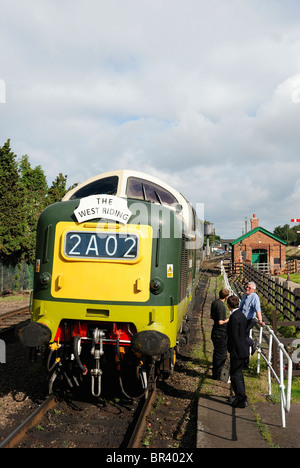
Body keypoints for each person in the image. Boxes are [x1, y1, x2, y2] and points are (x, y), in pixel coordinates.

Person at [227, 295, 250, 408]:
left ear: (228, 305)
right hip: (244, 349)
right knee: (239, 374)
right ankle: (241, 396)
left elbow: (233, 337)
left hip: (237, 351)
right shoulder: (241, 315)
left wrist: (230, 350)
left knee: (235, 375)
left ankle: (241, 398)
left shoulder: (234, 318)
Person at [240, 281, 265, 353]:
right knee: (244, 335)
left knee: (242, 335)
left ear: (253, 290)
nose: (247, 288)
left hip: (249, 320)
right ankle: (245, 351)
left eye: (249, 288)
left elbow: (258, 309)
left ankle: (252, 343)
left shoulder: (254, 297)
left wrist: (260, 320)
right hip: (242, 319)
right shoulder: (245, 295)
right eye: (247, 287)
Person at [210, 289, 230, 380]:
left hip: (214, 330)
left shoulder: (214, 302)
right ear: (226, 297)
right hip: (220, 332)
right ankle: (217, 374)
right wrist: (229, 319)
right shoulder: (221, 306)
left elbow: (211, 316)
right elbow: (221, 322)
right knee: (221, 355)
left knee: (216, 353)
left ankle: (215, 372)